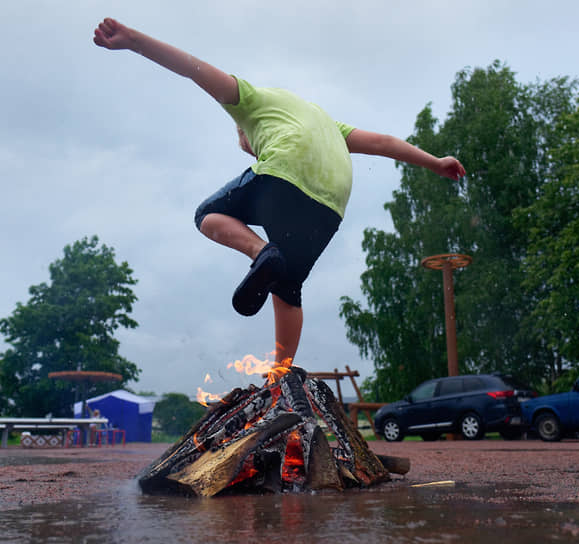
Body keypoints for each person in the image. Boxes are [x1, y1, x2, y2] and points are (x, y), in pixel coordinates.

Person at [93, 18, 466, 366]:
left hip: (287, 172)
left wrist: (133, 41)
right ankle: (281, 376)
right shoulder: (330, 124)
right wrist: (435, 162)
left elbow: (195, 69)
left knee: (207, 215)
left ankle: (261, 252)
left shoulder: (249, 101)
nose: (250, 149)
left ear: (245, 128)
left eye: (248, 145)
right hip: (331, 207)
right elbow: (384, 142)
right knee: (287, 287)